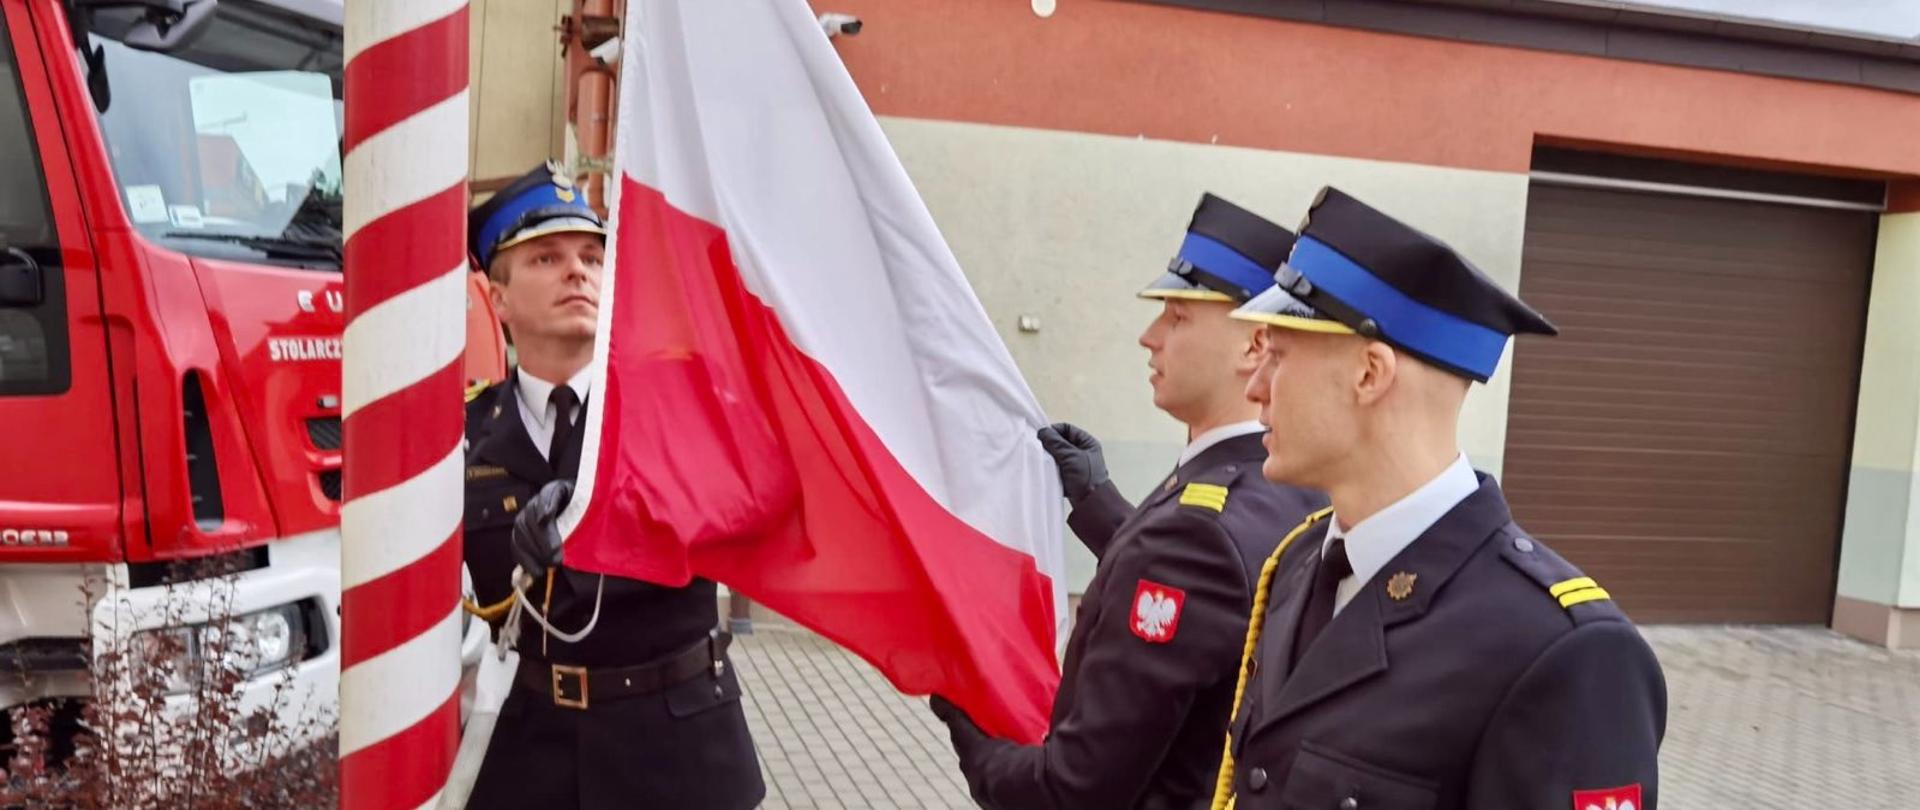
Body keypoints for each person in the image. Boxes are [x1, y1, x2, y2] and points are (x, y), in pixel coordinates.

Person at [1214, 187, 1665, 809]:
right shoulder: (1300, 563)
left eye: (1280, 356)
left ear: (1370, 374)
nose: (1256, 387)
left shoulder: (1564, 650)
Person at [930, 194, 1328, 809]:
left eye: (1177, 316)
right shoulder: (1292, 484)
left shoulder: (1195, 531)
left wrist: (975, 737)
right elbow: (1209, 585)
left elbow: (1073, 793)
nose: (1149, 337)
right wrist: (1095, 499)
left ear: (1253, 346)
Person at [459, 162, 764, 810]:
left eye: (593, 258)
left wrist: (598, 511)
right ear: (498, 299)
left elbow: (753, 513)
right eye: (546, 258)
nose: (578, 272)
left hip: (679, 753)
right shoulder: (461, 435)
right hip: (528, 756)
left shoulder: (684, 410)